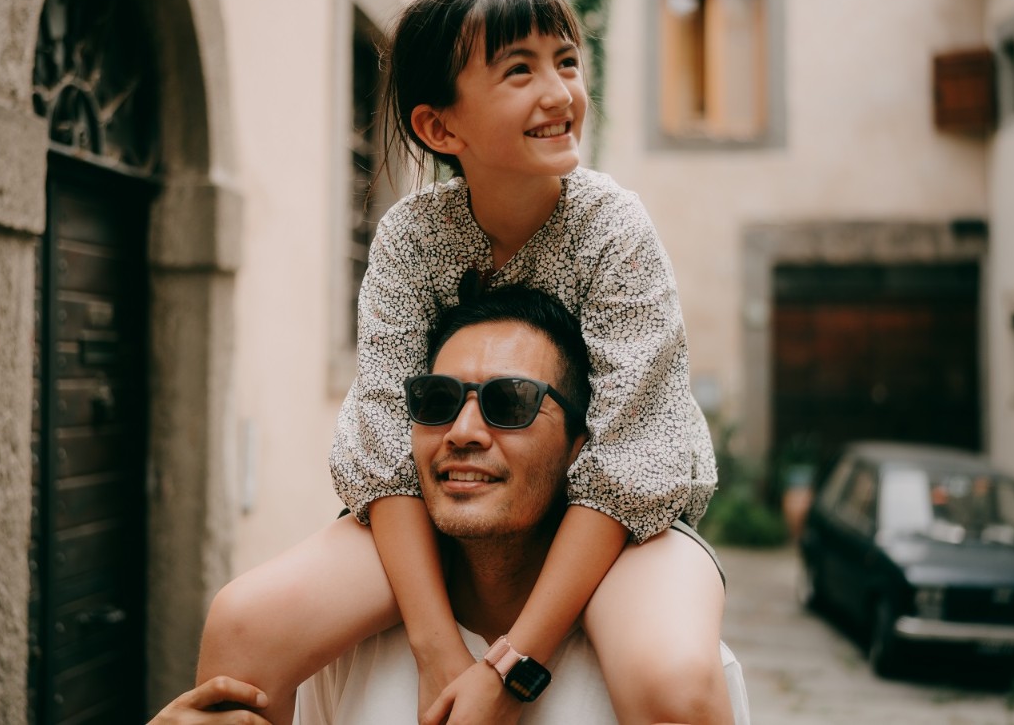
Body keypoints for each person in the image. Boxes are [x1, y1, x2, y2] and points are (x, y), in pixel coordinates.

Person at [199, 0, 723, 724]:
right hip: (450, 514)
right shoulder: (410, 239)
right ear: (441, 128)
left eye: (566, 62)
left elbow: (632, 458)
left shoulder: (615, 227)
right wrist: (437, 650)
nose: (559, 92)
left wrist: (512, 667)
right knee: (242, 623)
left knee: (672, 682)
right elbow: (384, 447)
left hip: (622, 524)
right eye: (520, 70)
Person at [150, 287, 746, 724]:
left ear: (580, 449)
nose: (462, 430)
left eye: (510, 402)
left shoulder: (669, 663)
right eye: (437, 399)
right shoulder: (339, 657)